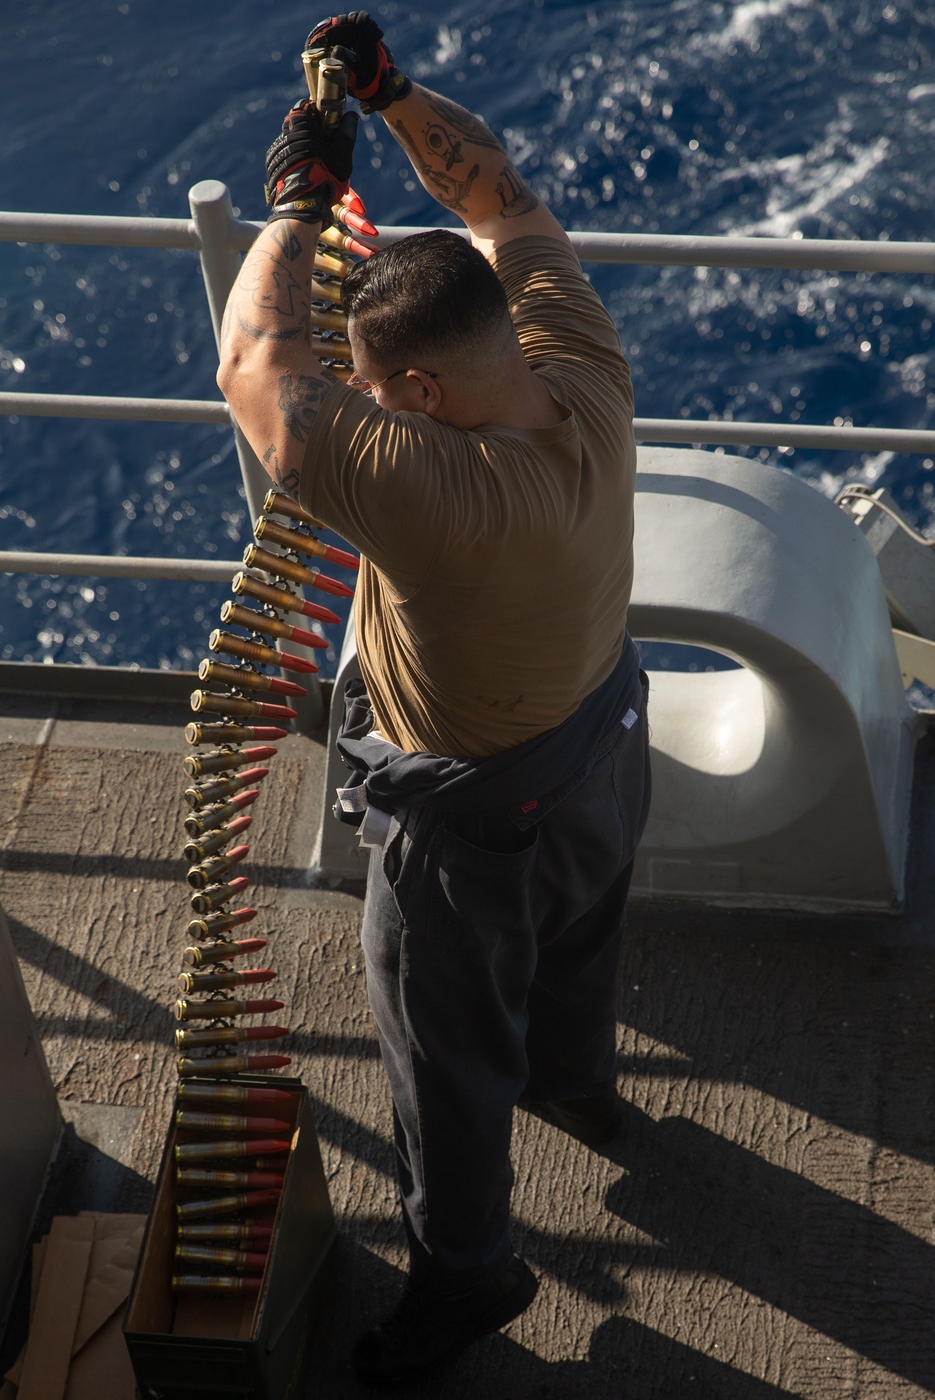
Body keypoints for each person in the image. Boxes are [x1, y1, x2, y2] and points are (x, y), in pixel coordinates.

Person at [216, 13, 651, 1388]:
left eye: (373, 386)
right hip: (605, 746)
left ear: (409, 390)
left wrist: (296, 200)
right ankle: (579, 1075)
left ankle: (469, 1274)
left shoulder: (435, 490)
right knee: (577, 944)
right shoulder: (582, 363)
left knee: (443, 1064)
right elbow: (497, 192)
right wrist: (394, 98)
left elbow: (254, 375)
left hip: (476, 821)